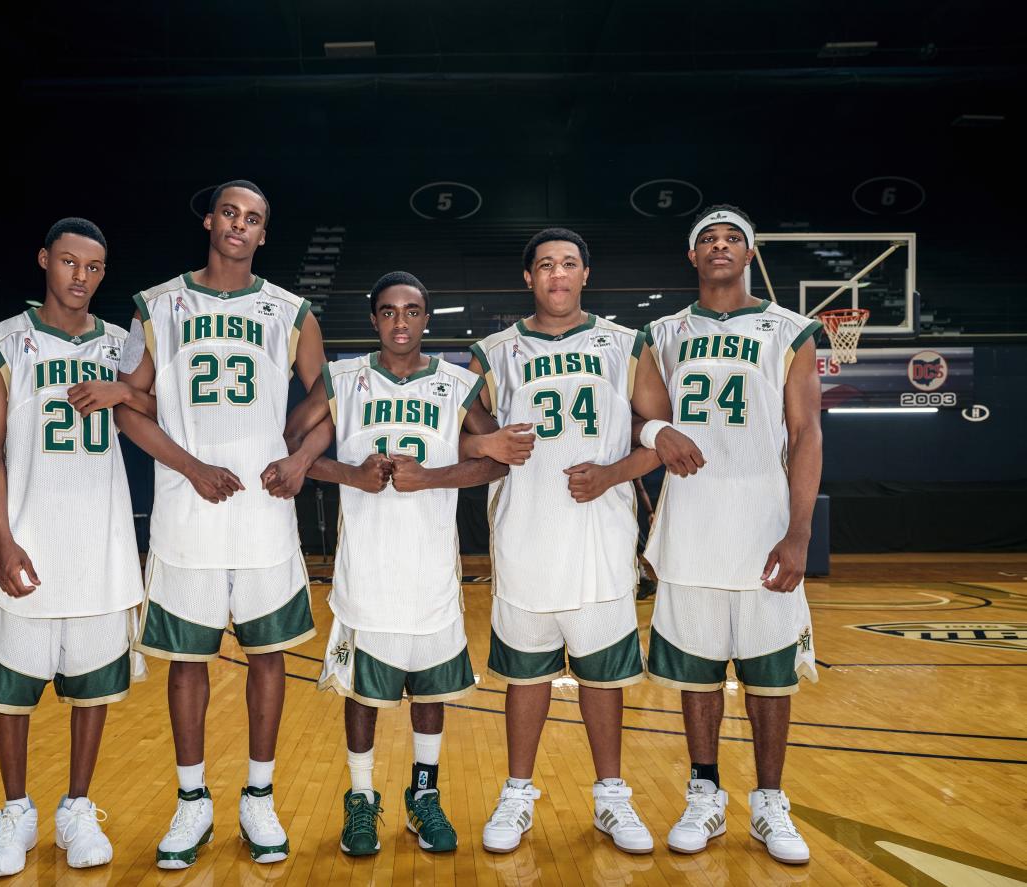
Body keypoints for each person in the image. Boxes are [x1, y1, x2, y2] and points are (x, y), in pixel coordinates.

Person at [467, 228, 702, 854]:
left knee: (603, 680)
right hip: (524, 535)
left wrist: (609, 475)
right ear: (528, 278)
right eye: (545, 265)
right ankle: (517, 795)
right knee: (526, 678)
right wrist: (484, 443)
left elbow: (657, 436)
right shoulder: (494, 352)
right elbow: (464, 442)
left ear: (586, 274)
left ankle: (611, 798)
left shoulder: (625, 344)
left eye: (569, 263)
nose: (557, 274)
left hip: (600, 536)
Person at [113, 180, 327, 868]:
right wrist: (192, 466)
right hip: (188, 511)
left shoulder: (291, 310)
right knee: (187, 664)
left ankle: (258, 796)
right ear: (210, 219)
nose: (239, 225)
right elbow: (130, 408)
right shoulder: (157, 304)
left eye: (254, 218)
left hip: (265, 511)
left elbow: (330, 398)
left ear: (265, 234)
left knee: (269, 656)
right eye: (229, 212)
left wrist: (301, 455)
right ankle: (191, 799)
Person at [261, 271, 510, 857]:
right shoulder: (343, 379)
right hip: (365, 571)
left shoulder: (455, 384)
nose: (402, 322)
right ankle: (362, 799)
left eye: (413, 311)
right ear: (374, 321)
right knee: (364, 696)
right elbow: (294, 440)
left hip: (431, 571)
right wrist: (348, 472)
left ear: (427, 319)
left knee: (430, 694)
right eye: (389, 312)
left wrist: (434, 476)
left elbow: (497, 459)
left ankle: (424, 796)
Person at [641, 205, 822, 865]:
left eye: (732, 238)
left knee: (771, 675)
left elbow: (806, 433)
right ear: (693, 257)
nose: (720, 246)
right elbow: (640, 423)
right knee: (699, 672)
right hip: (689, 521)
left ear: (749, 254)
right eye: (708, 239)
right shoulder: (660, 332)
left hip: (763, 524)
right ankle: (704, 792)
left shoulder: (789, 329)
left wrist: (800, 530)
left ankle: (771, 801)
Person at [0, 217, 145, 877]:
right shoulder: (5, 342)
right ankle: (16, 810)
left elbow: (162, 409)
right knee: (13, 689)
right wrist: (2, 537)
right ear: (45, 259)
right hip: (29, 540)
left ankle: (77, 806)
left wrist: (126, 389)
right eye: (69, 262)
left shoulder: (123, 346)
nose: (80, 277)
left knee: (92, 687)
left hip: (100, 540)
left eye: (93, 267)